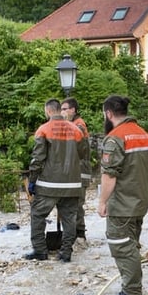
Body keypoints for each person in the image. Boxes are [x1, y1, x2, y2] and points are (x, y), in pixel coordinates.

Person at [97, 95, 148, 295]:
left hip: (122, 203)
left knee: (121, 245)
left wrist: (102, 202)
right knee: (132, 244)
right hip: (141, 200)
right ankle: (132, 286)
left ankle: (131, 292)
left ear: (108, 113)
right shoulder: (144, 135)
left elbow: (109, 175)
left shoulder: (114, 138)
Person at [25, 98, 88, 262]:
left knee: (38, 215)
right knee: (69, 219)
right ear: (60, 110)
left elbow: (38, 158)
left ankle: (40, 250)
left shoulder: (43, 129)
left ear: (48, 110)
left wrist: (32, 180)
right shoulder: (76, 129)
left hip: (48, 184)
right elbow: (83, 154)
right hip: (72, 184)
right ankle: (66, 252)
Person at [61, 97, 91, 243]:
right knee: (70, 203)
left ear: (73, 110)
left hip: (80, 171)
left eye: (64, 109)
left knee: (77, 203)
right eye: (61, 109)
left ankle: (80, 233)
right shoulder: (72, 123)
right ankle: (72, 233)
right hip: (73, 171)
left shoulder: (79, 125)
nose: (62, 112)